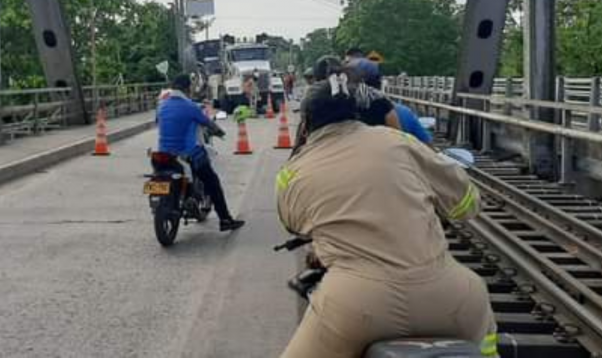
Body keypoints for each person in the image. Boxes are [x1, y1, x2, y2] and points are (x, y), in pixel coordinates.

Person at [276, 79, 497, 358]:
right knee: (487, 349)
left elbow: (294, 223)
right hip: (452, 298)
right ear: (356, 112)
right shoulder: (400, 141)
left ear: (305, 121)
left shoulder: (292, 172)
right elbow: (467, 203)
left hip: (356, 304)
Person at [157, 74, 245, 232]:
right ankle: (225, 219)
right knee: (212, 182)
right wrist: (219, 132)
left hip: (163, 155)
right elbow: (208, 124)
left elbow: (159, 120)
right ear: (187, 88)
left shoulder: (162, 105)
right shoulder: (191, 107)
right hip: (187, 154)